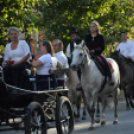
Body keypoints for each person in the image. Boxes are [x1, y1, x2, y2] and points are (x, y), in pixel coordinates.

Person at [85, 21, 114, 85]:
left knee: (105, 62)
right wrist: (88, 51)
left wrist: (95, 51)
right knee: (81, 63)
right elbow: (85, 45)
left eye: (93, 27)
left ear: (97, 27)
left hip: (98, 54)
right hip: (88, 54)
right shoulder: (87, 37)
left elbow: (102, 47)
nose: (92, 28)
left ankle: (110, 78)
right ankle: (80, 82)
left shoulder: (100, 36)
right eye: (90, 27)